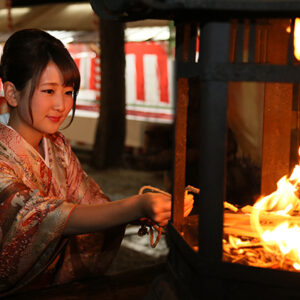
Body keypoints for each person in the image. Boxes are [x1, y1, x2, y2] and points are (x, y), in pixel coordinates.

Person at [0, 29, 194, 296]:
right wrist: (136, 204)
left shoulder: (58, 147)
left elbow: (92, 205)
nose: (61, 105)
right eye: (48, 90)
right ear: (11, 93)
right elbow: (45, 218)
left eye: (68, 92)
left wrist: (145, 209)